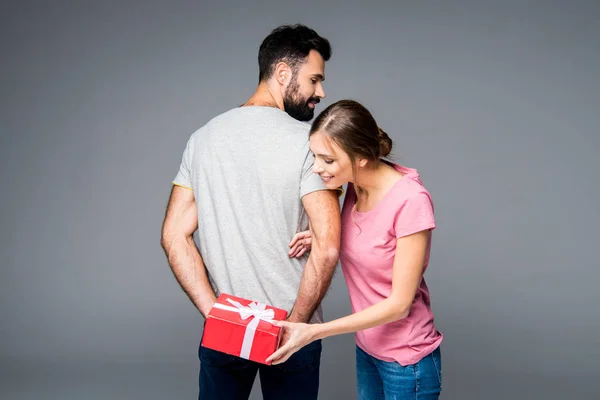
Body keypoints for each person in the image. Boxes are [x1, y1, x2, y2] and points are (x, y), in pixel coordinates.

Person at [160, 24, 341, 400]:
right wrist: (296, 325)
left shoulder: (202, 138)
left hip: (226, 326)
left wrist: (214, 313)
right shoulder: (310, 145)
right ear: (282, 73)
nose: (320, 93)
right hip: (293, 329)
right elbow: (327, 245)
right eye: (314, 79)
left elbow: (173, 235)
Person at [267, 100, 443, 399]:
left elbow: (399, 305)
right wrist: (321, 234)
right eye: (315, 156)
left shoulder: (411, 201)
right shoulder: (355, 184)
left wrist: (313, 331)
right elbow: (370, 234)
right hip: (368, 349)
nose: (317, 168)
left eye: (327, 160)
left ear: (360, 157)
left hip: (406, 360)